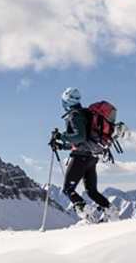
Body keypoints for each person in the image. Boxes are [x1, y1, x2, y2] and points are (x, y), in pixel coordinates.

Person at [52, 87, 115, 223]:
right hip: (91, 156)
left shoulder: (74, 115)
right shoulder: (85, 113)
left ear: (65, 101)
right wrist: (62, 145)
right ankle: (110, 212)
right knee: (92, 191)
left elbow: (79, 137)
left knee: (68, 189)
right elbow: (83, 139)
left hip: (80, 157)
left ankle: (88, 215)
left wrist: (61, 136)